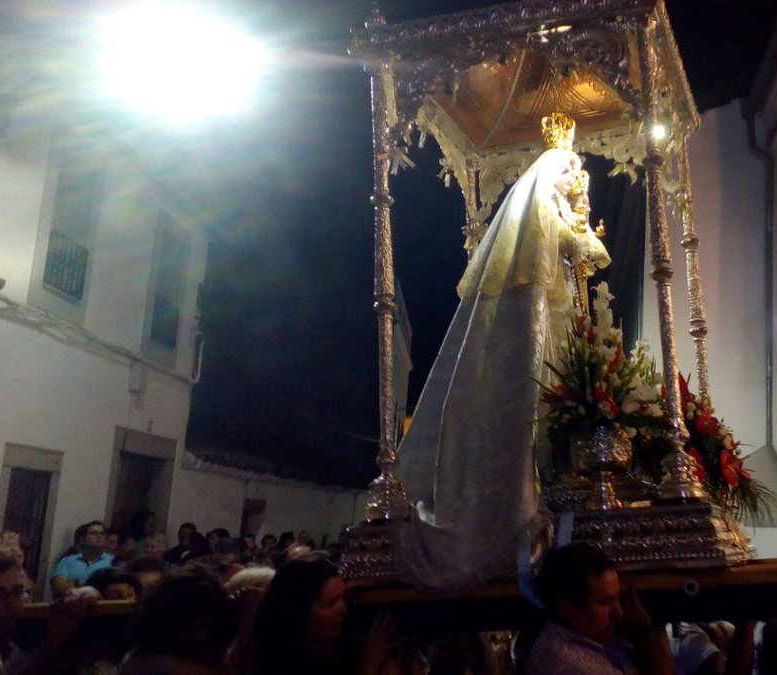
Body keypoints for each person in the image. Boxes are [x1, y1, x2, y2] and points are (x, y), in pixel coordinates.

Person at [396, 112, 599, 591]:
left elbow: (579, 252)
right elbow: (571, 245)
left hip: (550, 313)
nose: (575, 180)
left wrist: (580, 229)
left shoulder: (553, 208)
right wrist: (579, 232)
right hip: (526, 317)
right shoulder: (540, 209)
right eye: (569, 171)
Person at [524, 544, 674, 675]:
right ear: (567, 607)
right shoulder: (570, 666)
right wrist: (644, 635)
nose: (619, 613)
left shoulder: (595, 636)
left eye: (617, 598)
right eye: (604, 602)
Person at [247, 554, 404, 675]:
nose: (343, 609)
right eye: (330, 604)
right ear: (297, 611)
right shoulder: (281, 662)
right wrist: (368, 667)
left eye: (343, 598)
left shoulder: (346, 646)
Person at [0, 555, 97, 675]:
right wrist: (54, 641)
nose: (12, 604)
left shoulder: (12, 642)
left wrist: (86, 592)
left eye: (18, 592)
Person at [50, 520, 113, 598]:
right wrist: (82, 583)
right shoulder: (68, 560)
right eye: (94, 533)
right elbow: (58, 588)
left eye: (102, 533)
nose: (99, 536)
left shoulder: (113, 561)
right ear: (82, 540)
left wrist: (73, 584)